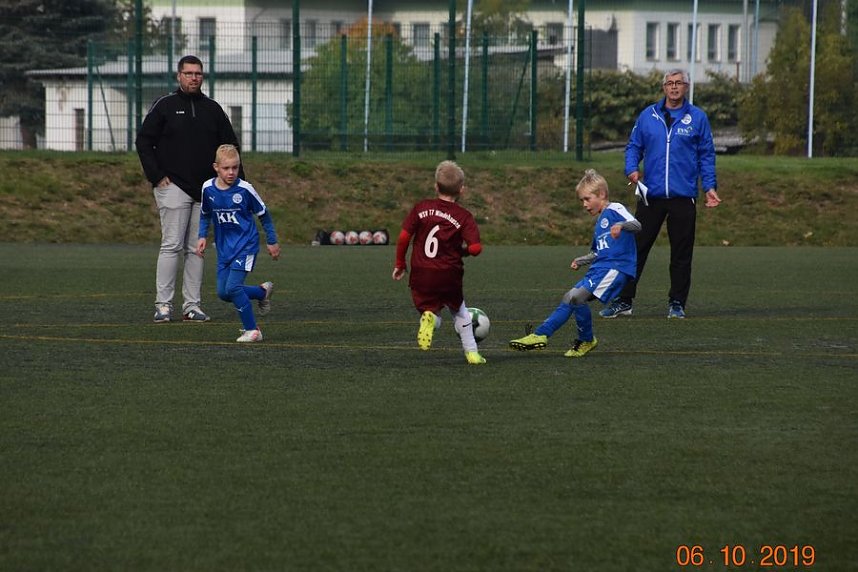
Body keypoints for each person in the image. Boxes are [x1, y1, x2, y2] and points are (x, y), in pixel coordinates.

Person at [601, 68, 722, 320]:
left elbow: (706, 156)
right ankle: (624, 301)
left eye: (679, 83)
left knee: (681, 252)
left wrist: (709, 187)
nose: (674, 87)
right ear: (664, 87)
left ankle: (677, 303)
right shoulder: (648, 115)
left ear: (686, 86)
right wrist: (631, 169)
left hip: (683, 197)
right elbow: (634, 146)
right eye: (670, 83)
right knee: (635, 248)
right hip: (651, 197)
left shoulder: (697, 118)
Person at [136, 54, 242, 323]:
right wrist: (157, 176)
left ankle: (191, 306)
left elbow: (230, 148)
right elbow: (144, 141)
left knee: (197, 249)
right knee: (171, 245)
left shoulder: (213, 109)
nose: (194, 78)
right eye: (188, 73)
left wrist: (235, 186)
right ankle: (163, 306)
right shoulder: (165, 106)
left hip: (206, 191)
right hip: (172, 186)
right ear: (178, 76)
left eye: (198, 74)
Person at [509, 169, 640, 357]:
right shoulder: (600, 222)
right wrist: (582, 260)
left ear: (601, 194)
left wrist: (621, 225)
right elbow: (597, 252)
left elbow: (637, 225)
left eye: (587, 199)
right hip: (599, 268)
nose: (584, 205)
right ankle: (539, 335)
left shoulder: (615, 209)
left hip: (616, 268)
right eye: (582, 201)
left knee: (577, 297)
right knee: (569, 297)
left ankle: (586, 339)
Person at [392, 160, 486, 365]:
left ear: (436, 186)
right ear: (462, 190)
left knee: (430, 308)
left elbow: (403, 237)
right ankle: (472, 353)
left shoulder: (421, 207)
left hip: (421, 272)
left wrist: (400, 263)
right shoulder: (463, 216)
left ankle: (432, 319)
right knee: (460, 311)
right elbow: (476, 248)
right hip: (448, 273)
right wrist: (463, 252)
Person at [196, 145, 279, 343]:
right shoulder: (208, 189)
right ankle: (261, 292)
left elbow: (264, 216)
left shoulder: (245, 189)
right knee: (224, 293)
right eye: (226, 168)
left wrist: (272, 241)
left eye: (235, 167)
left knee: (233, 288)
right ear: (216, 167)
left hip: (246, 246)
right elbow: (205, 214)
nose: (231, 172)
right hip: (224, 248)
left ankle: (252, 331)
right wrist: (201, 236)